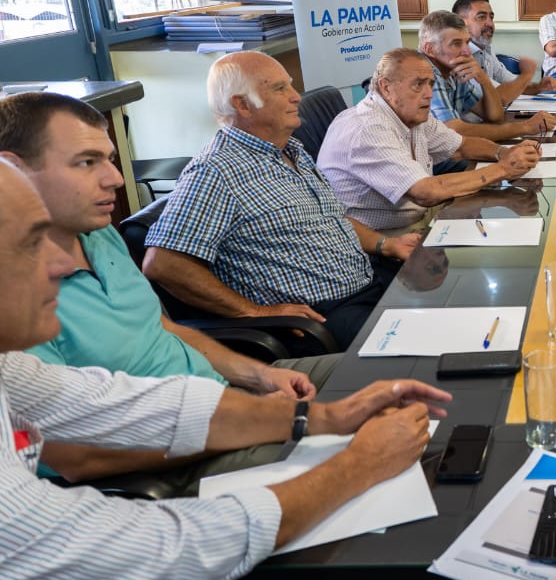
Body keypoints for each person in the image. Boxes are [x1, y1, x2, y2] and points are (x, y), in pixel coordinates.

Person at [0, 154, 451, 580]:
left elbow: (139, 405)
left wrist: (318, 417)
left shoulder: (8, 369)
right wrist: (355, 465)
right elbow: (164, 549)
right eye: (26, 246)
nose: (61, 265)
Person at [0, 92, 344, 490]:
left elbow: (163, 328)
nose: (114, 177)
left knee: (398, 376)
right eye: (86, 162)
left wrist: (259, 375)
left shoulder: (98, 232)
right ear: (13, 170)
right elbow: (76, 456)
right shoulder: (16, 298)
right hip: (169, 459)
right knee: (375, 452)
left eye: (109, 159)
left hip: (217, 398)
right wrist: (250, 421)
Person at [143, 52, 421, 350]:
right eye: (280, 89)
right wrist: (255, 313)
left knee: (454, 300)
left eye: (290, 86)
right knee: (428, 346)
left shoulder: (292, 151)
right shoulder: (216, 170)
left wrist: (385, 244)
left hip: (369, 282)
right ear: (242, 104)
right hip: (323, 317)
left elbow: (332, 218)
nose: (296, 97)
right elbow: (162, 263)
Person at [318, 48, 541, 235]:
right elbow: (425, 192)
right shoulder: (368, 128)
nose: (429, 94)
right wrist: (503, 169)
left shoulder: (408, 113)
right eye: (418, 84)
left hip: (419, 216)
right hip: (386, 237)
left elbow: (461, 146)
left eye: (430, 84)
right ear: (386, 87)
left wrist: (503, 152)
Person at [418, 10, 556, 147]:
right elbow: (453, 132)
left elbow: (494, 116)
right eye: (456, 44)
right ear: (429, 49)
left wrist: (483, 79)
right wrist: (525, 127)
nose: (467, 51)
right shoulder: (426, 74)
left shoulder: (454, 71)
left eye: (467, 42)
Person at [452, 0, 556, 103]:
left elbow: (511, 82)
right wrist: (527, 74)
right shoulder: (459, 56)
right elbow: (499, 97)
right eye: (481, 17)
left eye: (491, 17)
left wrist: (539, 87)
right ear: (462, 23)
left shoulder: (486, 49)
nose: (490, 23)